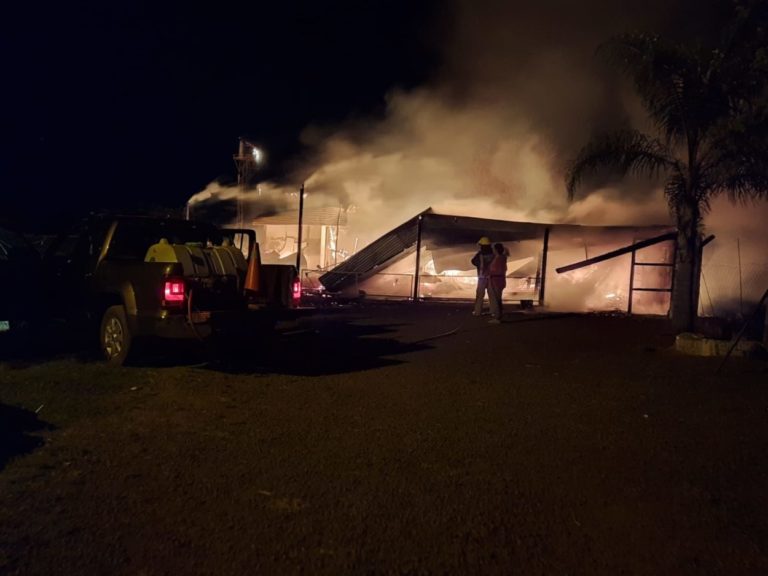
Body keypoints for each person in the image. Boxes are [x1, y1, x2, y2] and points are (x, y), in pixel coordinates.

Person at [471, 236, 494, 316]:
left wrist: (479, 265)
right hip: (492, 278)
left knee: (480, 295)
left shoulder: (480, 254)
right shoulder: (494, 254)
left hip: (482, 278)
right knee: (492, 295)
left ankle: (477, 312)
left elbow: (473, 261)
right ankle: (493, 312)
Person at [488, 242, 508, 323]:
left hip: (496, 281)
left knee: (497, 299)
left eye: (493, 248)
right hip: (499, 280)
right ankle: (498, 316)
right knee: (498, 299)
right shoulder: (502, 258)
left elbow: (499, 271)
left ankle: (497, 317)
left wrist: (491, 274)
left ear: (496, 249)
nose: (492, 250)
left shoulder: (499, 258)